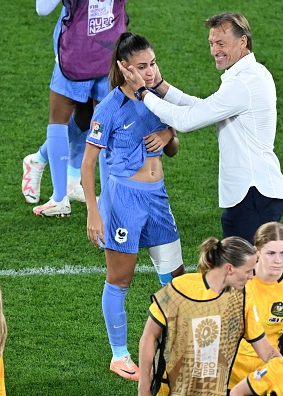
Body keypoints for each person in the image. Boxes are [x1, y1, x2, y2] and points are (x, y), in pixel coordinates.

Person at [120, 12, 283, 244]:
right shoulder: (247, 75)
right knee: (244, 271)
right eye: (211, 43)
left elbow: (187, 121)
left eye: (221, 43)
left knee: (248, 273)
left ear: (243, 42)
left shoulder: (244, 83)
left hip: (253, 193)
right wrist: (161, 86)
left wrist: (144, 93)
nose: (214, 50)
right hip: (253, 192)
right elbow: (205, 108)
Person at [81, 32, 185, 381]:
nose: (151, 71)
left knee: (176, 279)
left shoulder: (156, 97)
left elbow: (173, 148)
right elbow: (88, 164)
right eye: (142, 66)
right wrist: (94, 212)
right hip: (124, 201)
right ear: (125, 69)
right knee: (120, 280)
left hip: (158, 197)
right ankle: (119, 354)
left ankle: (176, 343)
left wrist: (169, 135)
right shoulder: (109, 108)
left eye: (153, 63)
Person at [138, 236, 282, 396]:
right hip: (167, 390)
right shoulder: (181, 288)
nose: (252, 277)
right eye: (248, 271)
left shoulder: (242, 299)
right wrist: (143, 388)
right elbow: (149, 336)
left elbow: (265, 349)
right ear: (229, 269)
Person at [23, 0, 129, 217]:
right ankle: (70, 194)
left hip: (84, 53)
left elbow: (42, 8)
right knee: (95, 122)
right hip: (105, 51)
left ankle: (61, 191)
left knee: (78, 121)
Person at [228, 222, 283, 389]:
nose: (278, 261)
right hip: (228, 370)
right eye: (271, 253)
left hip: (268, 370)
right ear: (257, 251)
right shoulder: (236, 280)